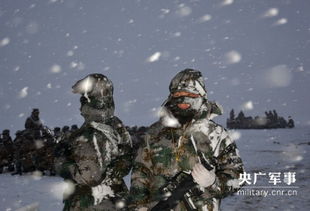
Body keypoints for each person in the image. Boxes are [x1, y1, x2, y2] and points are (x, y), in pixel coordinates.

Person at [130, 69, 244, 211]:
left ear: (202, 96)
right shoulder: (154, 134)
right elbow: (140, 174)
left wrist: (213, 182)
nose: (184, 99)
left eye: (190, 94)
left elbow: (238, 177)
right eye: (178, 94)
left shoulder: (217, 135)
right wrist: (138, 206)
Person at [55, 73, 133, 211]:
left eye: (83, 99)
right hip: (114, 199)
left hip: (91, 202)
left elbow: (89, 177)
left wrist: (62, 160)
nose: (80, 106)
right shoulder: (116, 126)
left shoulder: (91, 134)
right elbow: (125, 159)